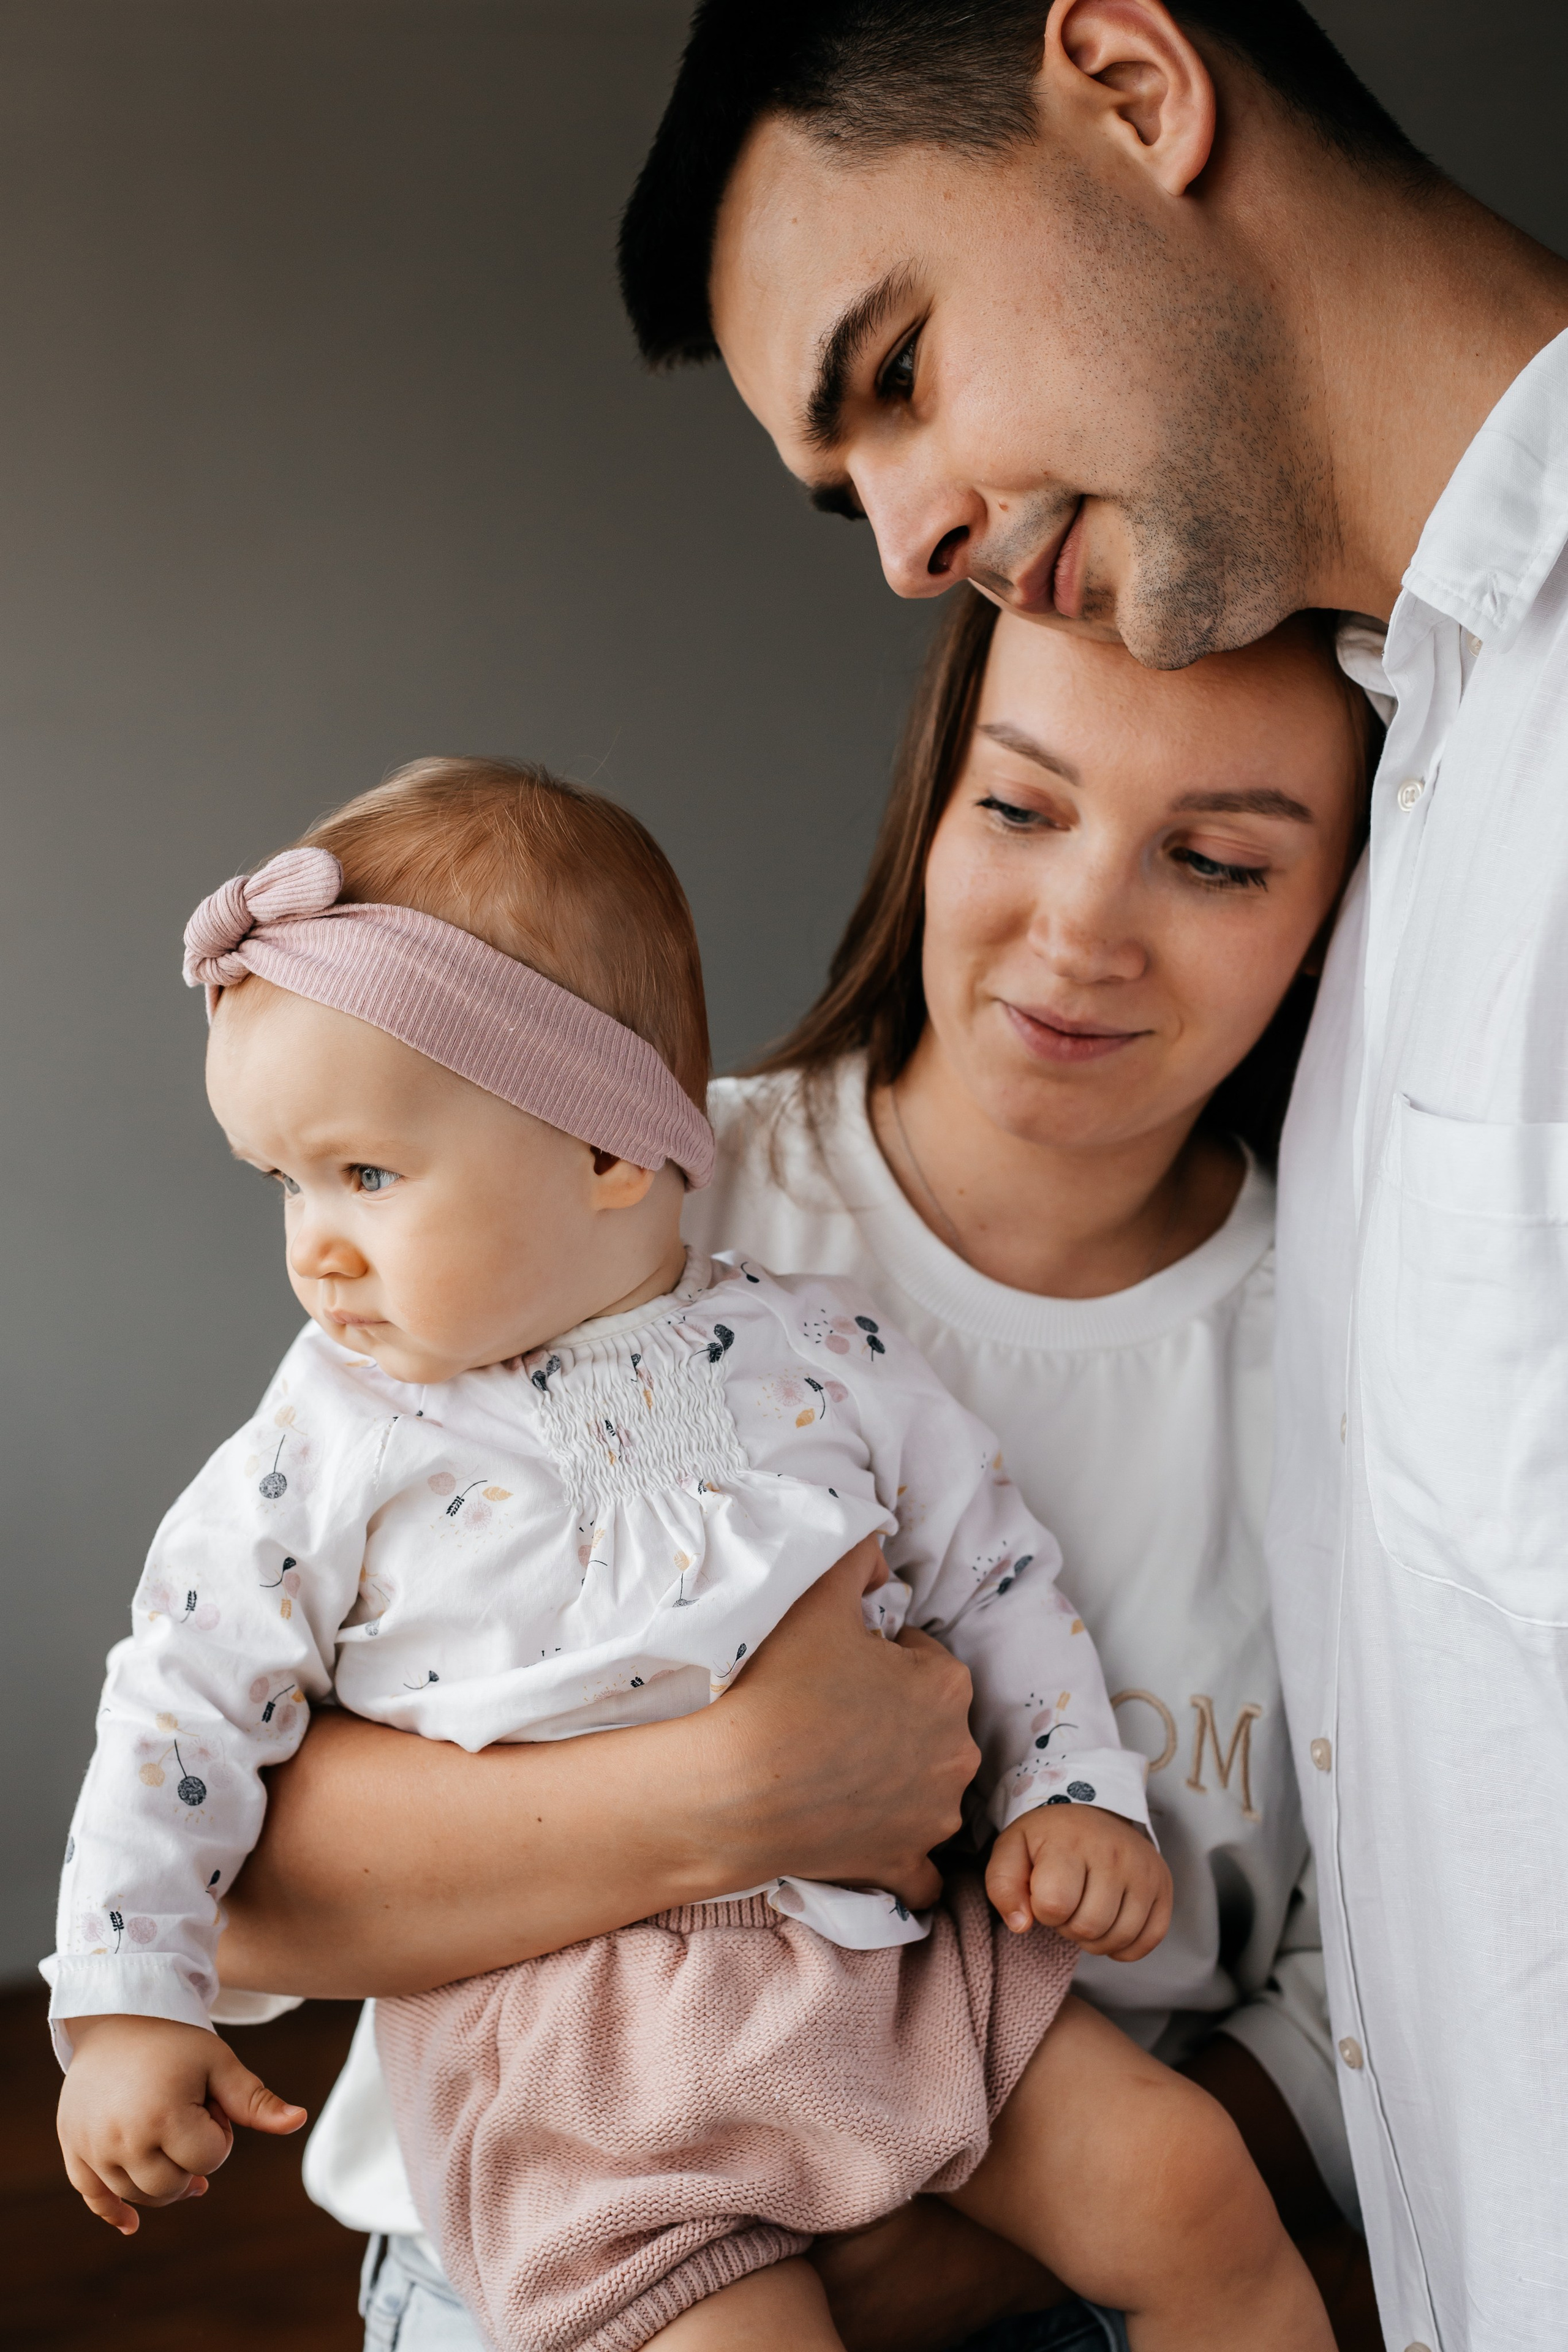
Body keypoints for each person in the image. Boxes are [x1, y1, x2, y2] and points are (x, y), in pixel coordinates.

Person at [616, 4, 1568, 2345]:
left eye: (902, 367)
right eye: (850, 484)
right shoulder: (1427, 745)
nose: (912, 542)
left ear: (1134, 88)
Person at [48, 758, 1339, 2352]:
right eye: (288, 1183)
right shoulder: (328, 1441)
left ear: (606, 1158)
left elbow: (1000, 1574)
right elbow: (179, 1716)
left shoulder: (821, 1348)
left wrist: (1075, 1787)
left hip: (895, 1964)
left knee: (1189, 2186)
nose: (313, 1245)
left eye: (369, 1175)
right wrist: (126, 2005)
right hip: (584, 2052)